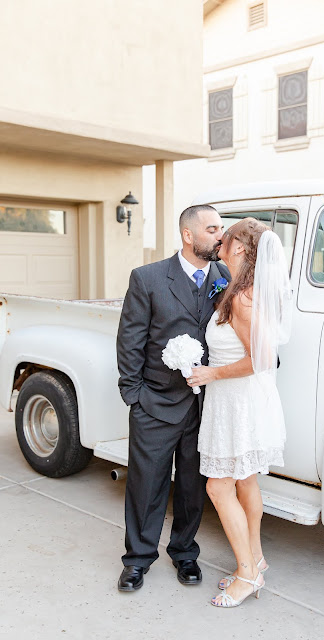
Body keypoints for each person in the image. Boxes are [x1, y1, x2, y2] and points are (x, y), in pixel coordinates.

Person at [116, 204, 229, 592]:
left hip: (205, 406)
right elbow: (130, 340)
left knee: (192, 487)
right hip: (155, 403)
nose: (220, 235)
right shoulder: (147, 278)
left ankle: (184, 553)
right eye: (212, 229)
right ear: (188, 234)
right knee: (147, 485)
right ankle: (137, 559)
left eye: (221, 228)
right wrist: (135, 395)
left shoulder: (225, 276)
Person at [186, 218, 292, 608]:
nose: (220, 240)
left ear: (241, 249)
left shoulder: (243, 297)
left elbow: (261, 360)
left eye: (225, 236)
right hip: (234, 399)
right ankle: (257, 560)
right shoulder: (240, 288)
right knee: (245, 482)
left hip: (237, 401)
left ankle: (246, 575)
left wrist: (211, 372)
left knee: (218, 486)